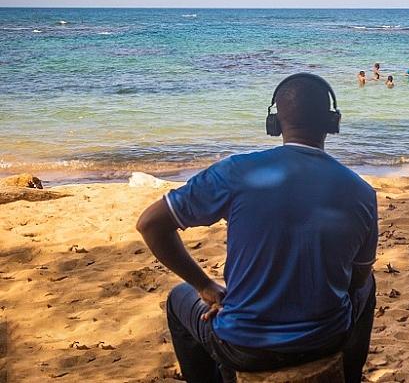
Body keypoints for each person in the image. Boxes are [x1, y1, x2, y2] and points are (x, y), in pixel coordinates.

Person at [136, 73, 377, 383]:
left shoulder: (235, 172)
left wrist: (205, 286)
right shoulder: (361, 191)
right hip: (326, 339)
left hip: (241, 346)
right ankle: (351, 375)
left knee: (178, 298)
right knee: (368, 282)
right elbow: (355, 280)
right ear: (333, 121)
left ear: (274, 123)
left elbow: (150, 224)